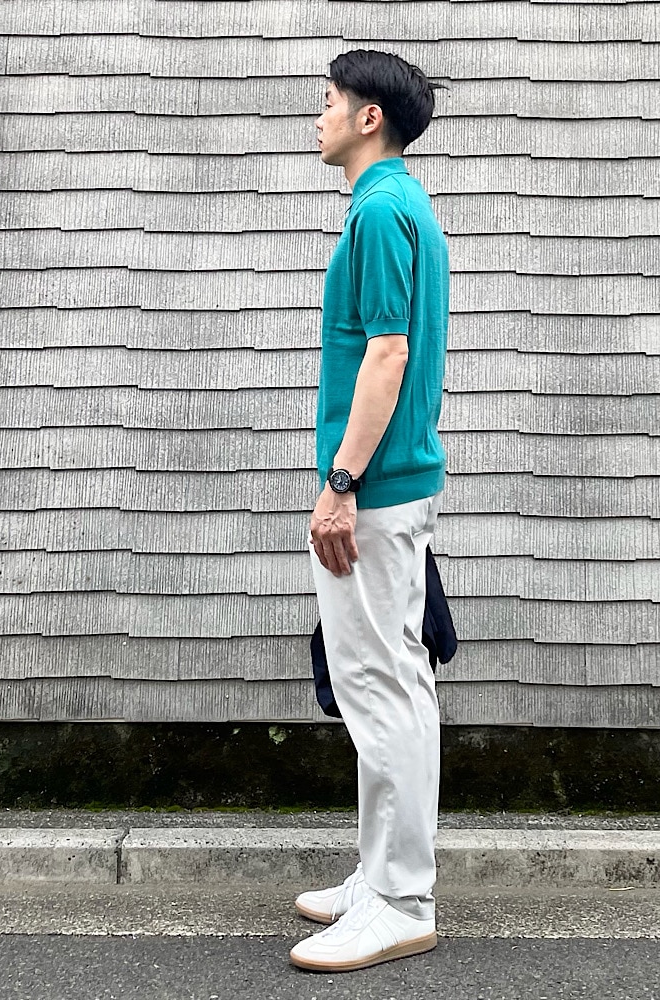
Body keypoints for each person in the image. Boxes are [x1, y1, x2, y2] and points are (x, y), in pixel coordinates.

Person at [289, 49, 450, 973]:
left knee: (381, 686)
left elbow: (386, 355)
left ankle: (401, 899)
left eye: (329, 102)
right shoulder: (397, 204)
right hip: (393, 486)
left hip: (376, 491)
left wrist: (341, 485)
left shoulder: (382, 211)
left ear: (368, 118)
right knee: (387, 684)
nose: (319, 117)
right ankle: (379, 875)